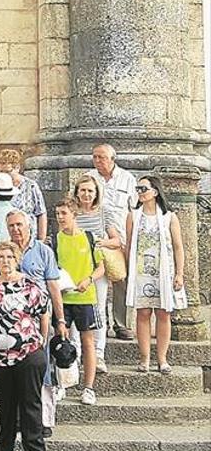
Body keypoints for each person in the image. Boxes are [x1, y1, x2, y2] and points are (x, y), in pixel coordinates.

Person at [4, 209, 67, 437]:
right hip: (11, 323)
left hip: (40, 319)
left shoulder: (43, 251)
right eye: (11, 226)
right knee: (17, 372)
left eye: (19, 225)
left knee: (44, 370)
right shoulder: (4, 252)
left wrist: (60, 320)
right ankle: (21, 420)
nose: (16, 230)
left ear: (29, 225)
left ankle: (45, 420)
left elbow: (53, 288)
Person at [0, 242, 49, 451]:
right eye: (1, 257)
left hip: (28, 352)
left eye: (9, 257)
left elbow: (43, 310)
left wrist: (43, 338)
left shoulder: (29, 285)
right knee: (6, 408)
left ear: (17, 259)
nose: (5, 261)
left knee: (30, 407)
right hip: (0, 356)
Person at [125, 175, 185, 374]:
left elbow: (178, 247)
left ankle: (162, 358)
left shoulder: (169, 217)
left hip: (164, 270)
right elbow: (129, 244)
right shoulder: (133, 215)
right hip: (141, 270)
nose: (140, 192)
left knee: (163, 313)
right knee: (142, 313)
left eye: (143, 189)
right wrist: (127, 271)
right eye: (138, 189)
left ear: (155, 192)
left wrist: (179, 273)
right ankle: (144, 358)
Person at [52, 198, 104, 405]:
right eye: (57, 214)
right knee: (60, 341)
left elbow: (100, 267)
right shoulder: (55, 240)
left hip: (85, 297)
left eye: (64, 213)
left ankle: (88, 387)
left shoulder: (89, 238)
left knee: (87, 341)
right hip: (63, 298)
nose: (60, 218)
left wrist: (88, 279)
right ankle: (61, 384)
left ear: (74, 214)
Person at [72, 174, 123, 373]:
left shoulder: (104, 212)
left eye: (90, 191)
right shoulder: (73, 213)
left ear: (96, 193)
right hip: (76, 267)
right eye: (83, 190)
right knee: (75, 310)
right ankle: (76, 352)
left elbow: (116, 240)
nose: (86, 194)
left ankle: (98, 353)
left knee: (99, 309)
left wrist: (98, 242)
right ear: (77, 192)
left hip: (97, 268)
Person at [88, 143, 137, 340]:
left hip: (120, 238)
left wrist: (131, 240)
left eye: (102, 157)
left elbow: (134, 210)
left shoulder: (127, 179)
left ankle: (121, 323)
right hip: (96, 238)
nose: (98, 161)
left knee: (121, 280)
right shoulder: (89, 178)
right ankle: (100, 321)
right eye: (95, 157)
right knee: (96, 280)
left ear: (112, 159)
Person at [0, 149, 48, 241]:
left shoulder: (31, 186)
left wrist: (41, 239)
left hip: (29, 238)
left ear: (17, 168)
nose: (4, 176)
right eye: (1, 172)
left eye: (7, 172)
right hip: (7, 239)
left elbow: (41, 213)